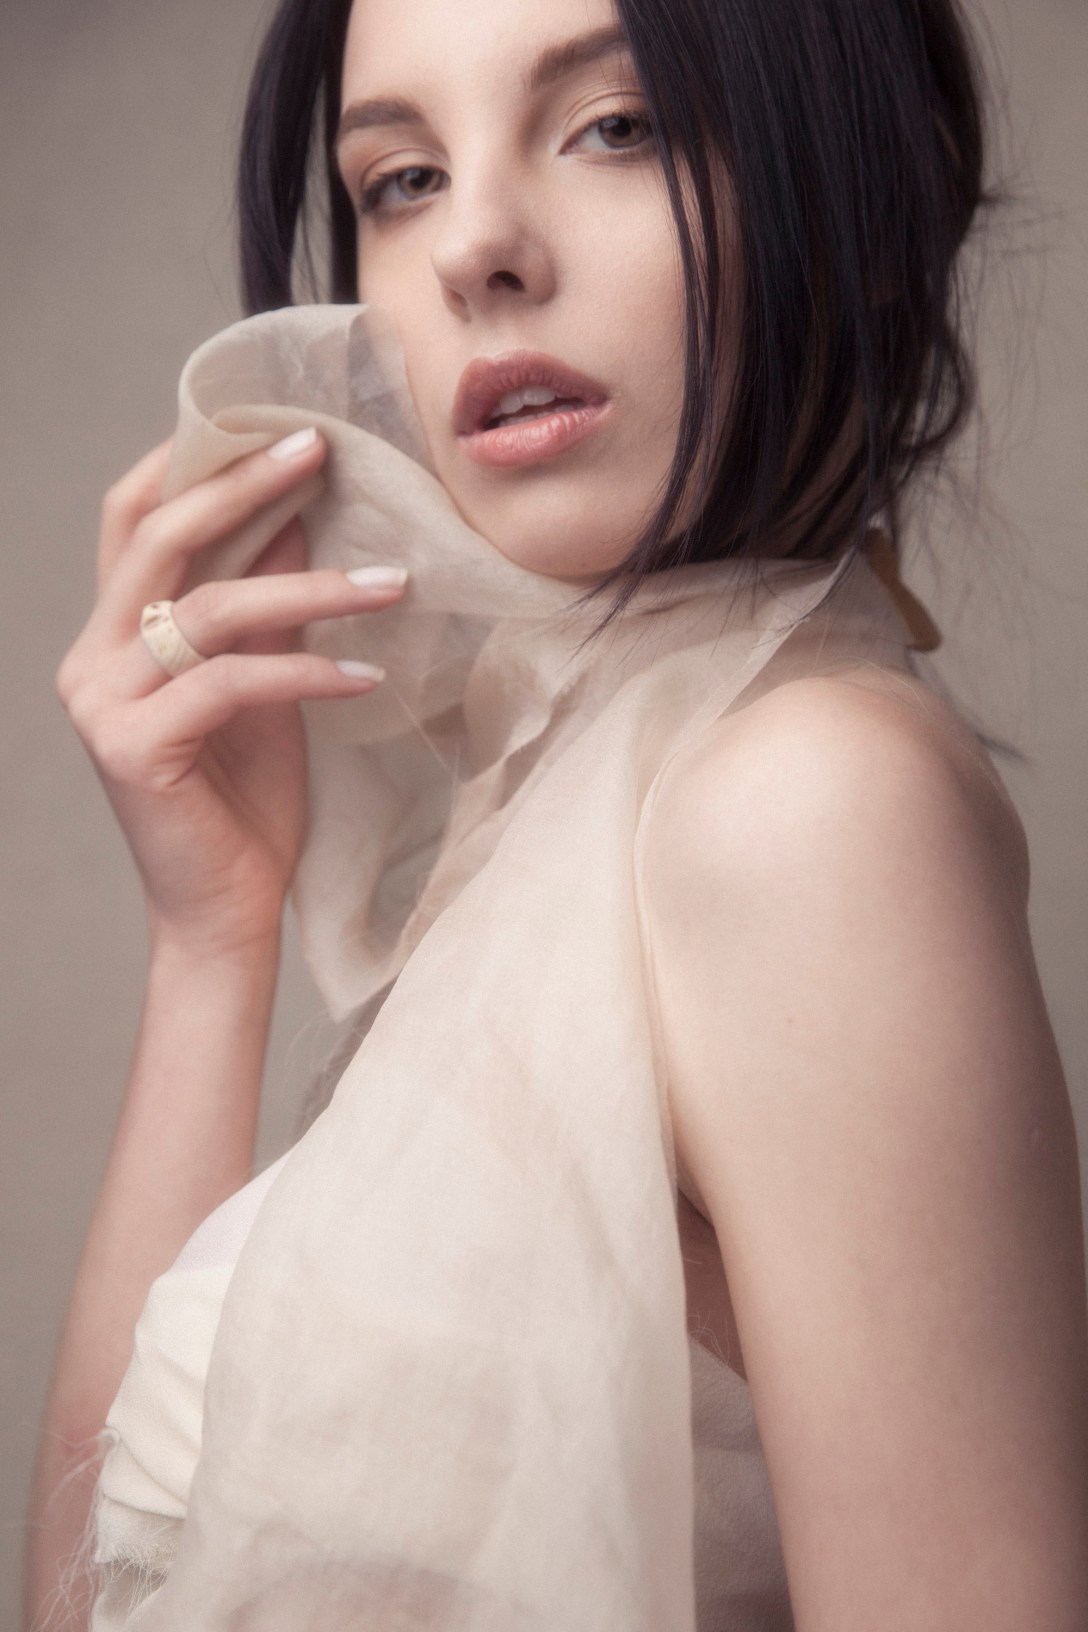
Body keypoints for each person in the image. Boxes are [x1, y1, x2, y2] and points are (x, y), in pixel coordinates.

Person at [24, 0, 1088, 1626]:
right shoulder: (563, 794)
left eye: (617, 126)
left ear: (863, 196)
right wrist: (211, 936)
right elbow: (89, 1593)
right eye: (402, 179)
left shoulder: (802, 807)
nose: (476, 249)